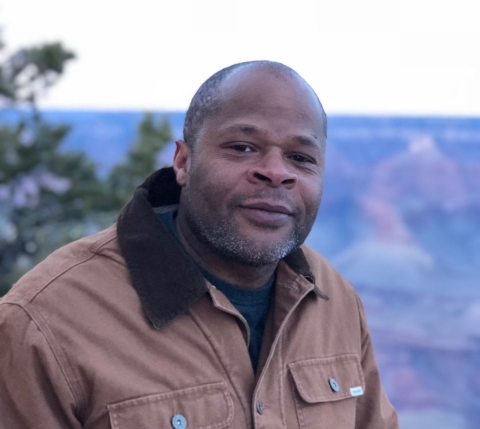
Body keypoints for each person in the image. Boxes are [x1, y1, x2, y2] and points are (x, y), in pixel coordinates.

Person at [0, 61, 399, 428]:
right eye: (243, 147)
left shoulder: (335, 301)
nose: (276, 173)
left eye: (300, 157)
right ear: (183, 162)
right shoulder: (45, 322)